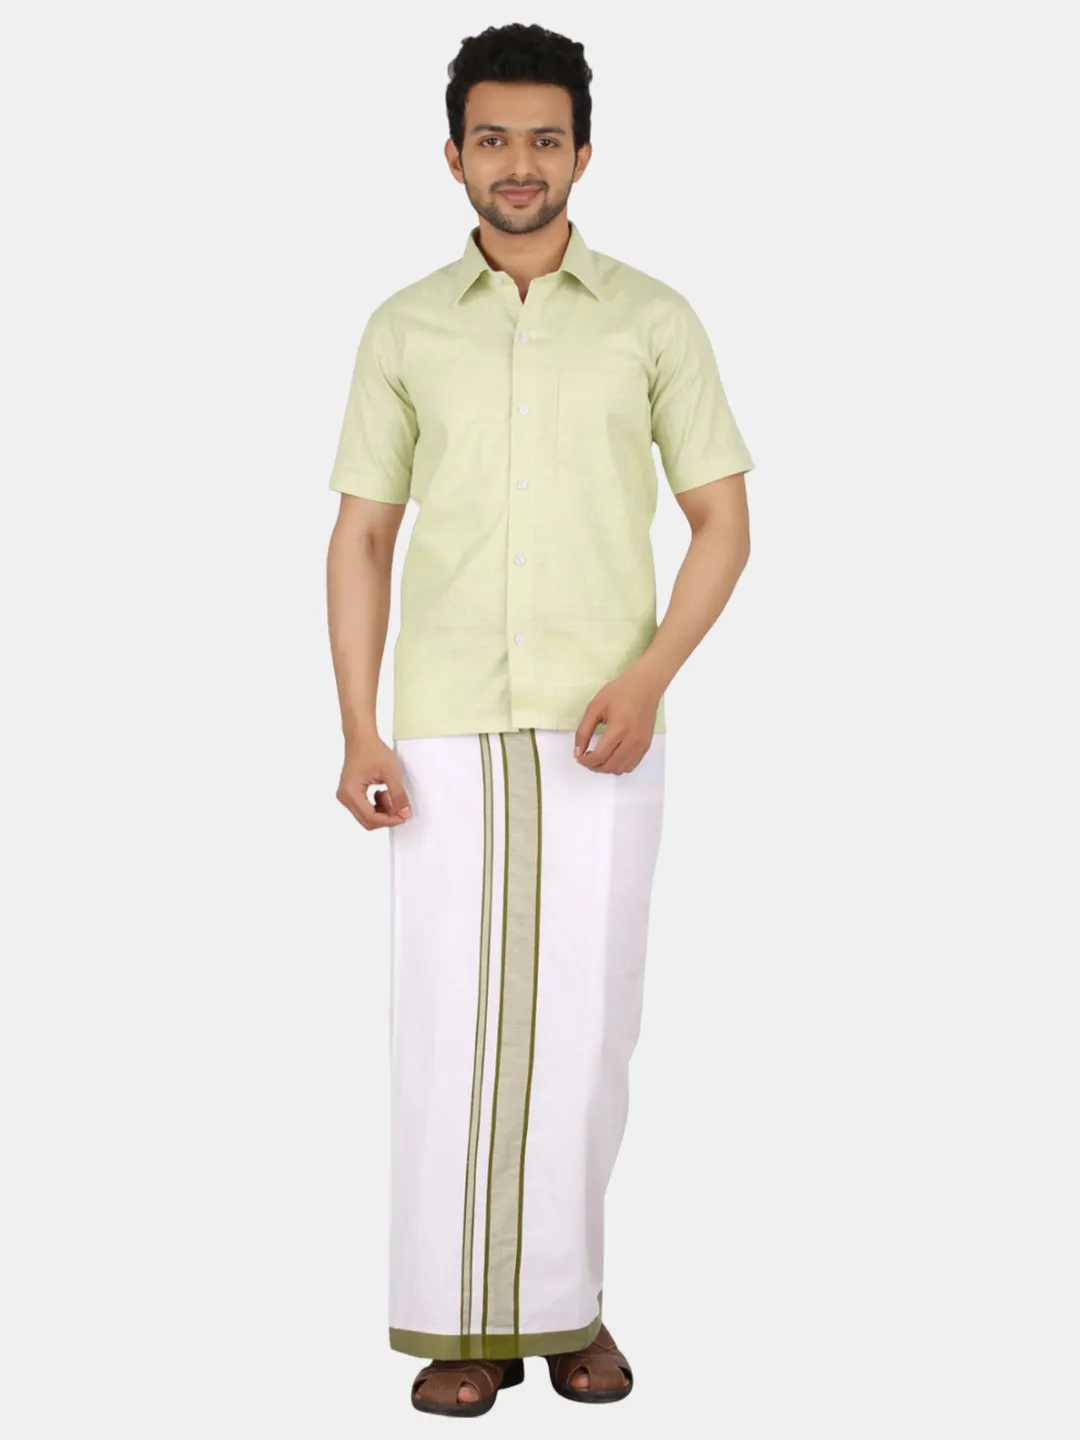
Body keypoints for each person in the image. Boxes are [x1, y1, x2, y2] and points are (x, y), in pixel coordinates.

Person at [325, 22, 754, 1418]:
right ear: (453, 155)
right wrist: (358, 728)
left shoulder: (652, 319)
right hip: (445, 727)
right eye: (494, 138)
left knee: (587, 1026)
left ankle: (568, 1307)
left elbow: (721, 523)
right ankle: (462, 1325)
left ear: (583, 152)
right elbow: (364, 537)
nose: (521, 162)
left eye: (545, 138)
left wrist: (650, 676)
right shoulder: (404, 327)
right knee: (446, 1032)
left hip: (602, 726)